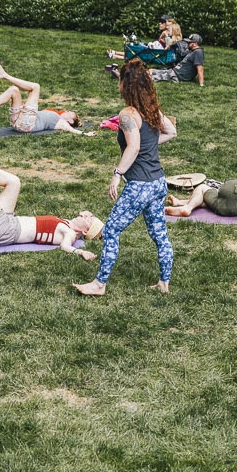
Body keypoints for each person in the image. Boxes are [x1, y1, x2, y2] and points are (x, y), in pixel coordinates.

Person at [75, 59, 177, 296]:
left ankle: (99, 284)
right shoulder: (151, 110)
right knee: (159, 234)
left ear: (126, 85)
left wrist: (117, 173)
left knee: (110, 230)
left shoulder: (128, 114)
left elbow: (132, 147)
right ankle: (164, 282)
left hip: (140, 185)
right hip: (158, 183)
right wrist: (149, 149)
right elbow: (172, 131)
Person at [0, 137, 103, 258]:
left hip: (2, 232)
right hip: (9, 222)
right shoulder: (67, 223)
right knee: (14, 182)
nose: (85, 214)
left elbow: (66, 246)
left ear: (85, 231)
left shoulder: (70, 233)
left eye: (89, 218)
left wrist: (81, 251)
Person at [0, 60, 95, 135]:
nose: (67, 111)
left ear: (70, 121)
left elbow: (73, 131)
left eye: (70, 114)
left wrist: (86, 134)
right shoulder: (55, 115)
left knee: (36, 87)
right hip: (19, 120)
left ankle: (5, 75)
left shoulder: (62, 123)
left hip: (26, 125)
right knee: (13, 90)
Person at [107, 15, 179, 60]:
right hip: (154, 50)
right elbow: (160, 41)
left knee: (137, 52)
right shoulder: (167, 34)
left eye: (162, 22)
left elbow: (166, 45)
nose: (160, 24)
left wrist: (166, 37)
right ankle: (115, 53)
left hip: (155, 53)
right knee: (137, 51)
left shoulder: (167, 35)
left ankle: (115, 55)